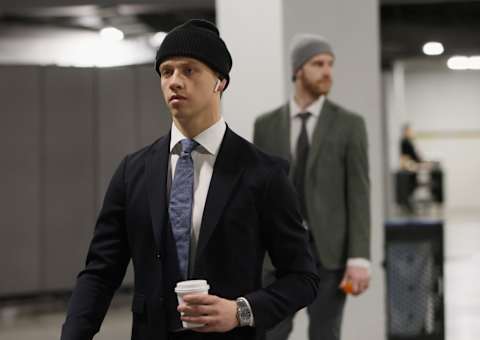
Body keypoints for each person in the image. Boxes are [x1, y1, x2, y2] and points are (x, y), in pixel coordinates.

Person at [60, 19, 319, 340]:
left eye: (189, 70)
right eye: (166, 71)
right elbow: (100, 273)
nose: (175, 81)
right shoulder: (133, 171)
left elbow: (303, 277)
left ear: (219, 82)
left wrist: (241, 311)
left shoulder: (263, 173)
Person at [253, 34, 371, 340]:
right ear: (298, 70)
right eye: (318, 63)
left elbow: (359, 193)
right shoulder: (265, 126)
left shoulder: (350, 124)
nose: (327, 71)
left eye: (330, 64)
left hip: (328, 254)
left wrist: (359, 258)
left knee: (325, 335)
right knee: (271, 334)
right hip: (277, 255)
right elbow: (257, 196)